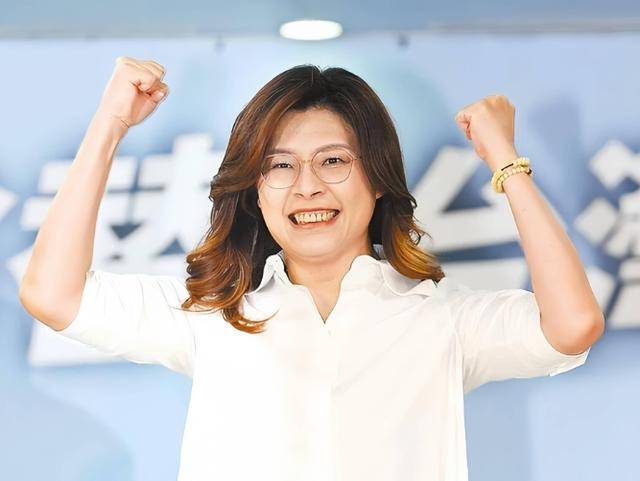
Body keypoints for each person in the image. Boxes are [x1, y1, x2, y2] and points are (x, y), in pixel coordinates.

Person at [19, 57, 604, 481]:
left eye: (333, 161)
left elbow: (571, 324)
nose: (307, 187)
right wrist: (110, 124)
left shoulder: (440, 319)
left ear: (377, 177)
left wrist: (505, 160)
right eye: (280, 165)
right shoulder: (213, 317)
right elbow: (52, 294)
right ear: (255, 190)